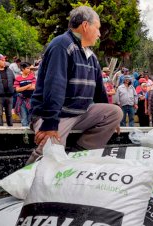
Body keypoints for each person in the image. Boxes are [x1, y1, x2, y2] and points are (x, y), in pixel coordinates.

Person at [28, 6, 123, 164]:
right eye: (97, 28)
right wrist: (50, 124)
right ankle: (26, 185)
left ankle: (78, 156)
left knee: (114, 113)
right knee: (50, 151)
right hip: (55, 115)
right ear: (85, 26)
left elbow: (100, 92)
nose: (99, 34)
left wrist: (113, 122)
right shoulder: (62, 45)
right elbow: (54, 86)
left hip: (80, 112)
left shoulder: (90, 56)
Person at [14, 62, 36, 126]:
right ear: (22, 69)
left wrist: (22, 88)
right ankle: (25, 135)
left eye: (29, 68)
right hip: (21, 100)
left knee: (30, 118)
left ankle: (30, 135)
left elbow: (33, 87)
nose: (29, 70)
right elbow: (17, 89)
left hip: (31, 100)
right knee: (24, 119)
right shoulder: (18, 78)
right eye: (27, 68)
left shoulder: (32, 77)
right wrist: (28, 86)